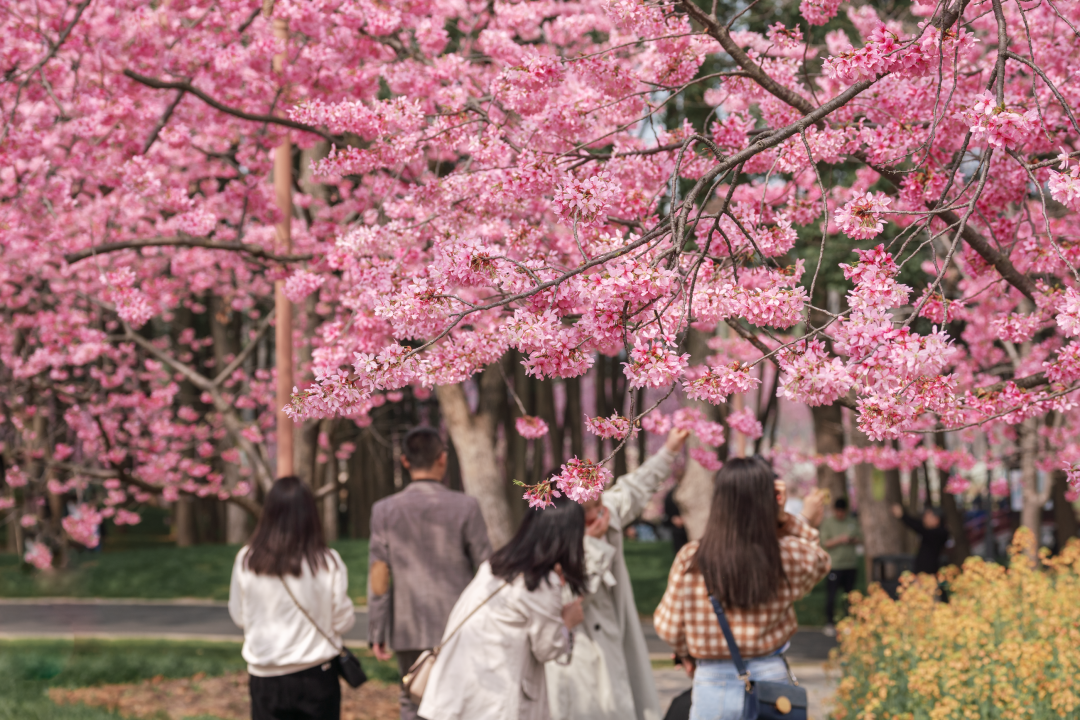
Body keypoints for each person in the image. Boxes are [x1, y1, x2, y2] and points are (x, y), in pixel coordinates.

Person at [653, 457, 830, 720]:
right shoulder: (784, 555)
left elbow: (668, 627)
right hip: (771, 680)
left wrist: (686, 653)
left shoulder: (692, 558)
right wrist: (785, 519)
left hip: (712, 681)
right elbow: (819, 560)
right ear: (769, 501)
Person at [546, 427, 690, 720]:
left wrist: (669, 450)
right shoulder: (551, 548)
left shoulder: (605, 517)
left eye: (600, 502)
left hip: (616, 642)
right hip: (581, 658)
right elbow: (574, 595)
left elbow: (633, 489)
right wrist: (592, 546)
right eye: (591, 508)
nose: (601, 512)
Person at [417, 495, 587, 720]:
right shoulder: (539, 584)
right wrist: (568, 621)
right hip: (490, 702)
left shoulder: (495, 566)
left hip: (457, 691)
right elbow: (548, 649)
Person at [368, 427, 492, 720]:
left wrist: (377, 630)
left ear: (405, 461)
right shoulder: (466, 506)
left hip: (408, 627)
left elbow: (379, 575)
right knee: (460, 702)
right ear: (442, 458)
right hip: (459, 625)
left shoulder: (384, 510)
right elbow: (487, 569)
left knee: (412, 699)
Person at [228, 476, 356, 720]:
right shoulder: (327, 561)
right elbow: (342, 621)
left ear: (269, 513)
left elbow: (239, 616)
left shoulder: (247, 559)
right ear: (310, 514)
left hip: (265, 674)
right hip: (316, 674)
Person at [818, 496, 862, 637]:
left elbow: (860, 539)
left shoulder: (852, 521)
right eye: (838, 511)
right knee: (832, 595)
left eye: (843, 511)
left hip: (850, 565)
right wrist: (839, 539)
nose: (840, 514)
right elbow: (825, 543)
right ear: (834, 510)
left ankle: (849, 622)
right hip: (835, 565)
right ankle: (829, 622)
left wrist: (850, 540)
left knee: (849, 596)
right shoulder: (828, 523)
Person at [890, 503, 950, 575]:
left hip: (929, 572)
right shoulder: (932, 532)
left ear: (936, 519)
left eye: (927, 517)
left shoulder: (939, 533)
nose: (924, 519)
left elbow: (918, 526)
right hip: (921, 570)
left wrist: (902, 516)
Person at [663, 488, 689, 555]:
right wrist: (673, 518)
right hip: (677, 529)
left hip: (691, 526)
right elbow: (667, 509)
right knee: (680, 552)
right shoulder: (672, 493)